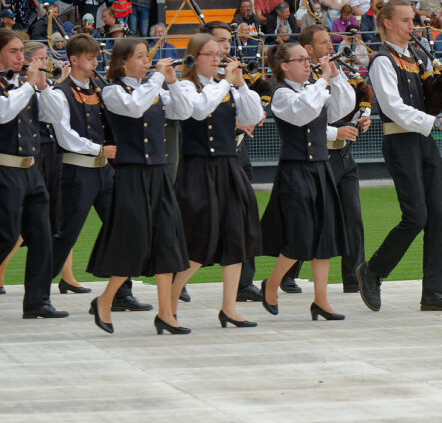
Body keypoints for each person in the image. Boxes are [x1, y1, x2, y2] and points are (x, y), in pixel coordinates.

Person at [356, 0, 442, 313]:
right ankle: (373, 271)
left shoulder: (416, 57)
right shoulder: (382, 61)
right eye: (405, 20)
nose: (411, 26)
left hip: (423, 141)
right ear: (387, 23)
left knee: (436, 218)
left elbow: (428, 97)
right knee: (416, 216)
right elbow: (393, 107)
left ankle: (433, 291)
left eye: (412, 20)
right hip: (400, 142)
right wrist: (437, 123)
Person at [87, 38, 195, 334]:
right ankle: (105, 299)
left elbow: (184, 112)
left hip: (158, 172)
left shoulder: (154, 89)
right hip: (131, 174)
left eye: (147, 57)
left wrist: (172, 82)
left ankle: (166, 313)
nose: (146, 62)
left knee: (167, 240)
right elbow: (134, 108)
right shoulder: (112, 91)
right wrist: (158, 78)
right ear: (123, 62)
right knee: (133, 239)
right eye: (140, 57)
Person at [44, 33, 148, 313]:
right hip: (76, 172)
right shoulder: (60, 92)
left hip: (105, 173)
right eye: (89, 59)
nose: (95, 63)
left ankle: (122, 293)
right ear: (73, 60)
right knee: (65, 235)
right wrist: (100, 149)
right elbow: (65, 136)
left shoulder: (101, 87)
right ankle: (38, 295)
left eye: (96, 59)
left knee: (121, 228)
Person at [169, 33, 265, 328]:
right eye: (209, 54)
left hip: (228, 166)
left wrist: (241, 84)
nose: (216, 59)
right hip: (198, 169)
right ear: (194, 58)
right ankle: (168, 305)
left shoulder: (227, 87)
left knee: (236, 235)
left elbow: (254, 114)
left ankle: (229, 308)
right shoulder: (186, 86)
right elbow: (199, 110)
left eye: (217, 54)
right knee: (200, 239)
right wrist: (226, 82)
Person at [258, 39, 355, 323]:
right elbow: (303, 113)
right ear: (284, 66)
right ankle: (272, 283)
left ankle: (321, 301)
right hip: (295, 170)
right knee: (301, 234)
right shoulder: (281, 95)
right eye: (300, 59)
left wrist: (335, 76)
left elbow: (342, 107)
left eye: (307, 58)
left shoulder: (313, 89)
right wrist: (322, 79)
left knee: (324, 236)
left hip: (320, 168)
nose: (306, 63)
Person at [0, 29, 69, 319]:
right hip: (4, 169)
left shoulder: (25, 85)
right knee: (5, 235)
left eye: (21, 51)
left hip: (31, 169)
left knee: (42, 235)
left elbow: (54, 116)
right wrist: (29, 85)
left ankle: (37, 301)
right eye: (14, 51)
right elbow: (3, 112)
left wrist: (43, 87)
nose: (21, 57)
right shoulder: (15, 86)